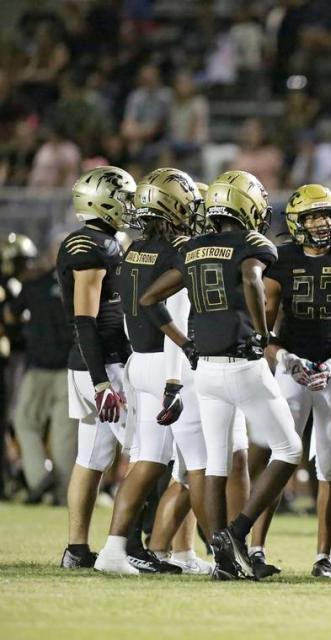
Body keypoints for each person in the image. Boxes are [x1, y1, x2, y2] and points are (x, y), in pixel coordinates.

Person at [139, 170, 302, 580]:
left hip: (205, 369)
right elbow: (249, 276)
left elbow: (149, 298)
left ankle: (222, 557)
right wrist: (264, 334)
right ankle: (237, 532)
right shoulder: (252, 244)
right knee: (289, 450)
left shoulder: (192, 246)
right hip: (242, 365)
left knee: (215, 465)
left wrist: (185, 343)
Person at [93, 168, 205, 575]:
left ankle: (117, 549)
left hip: (140, 360)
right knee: (189, 465)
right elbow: (176, 314)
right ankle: (214, 554)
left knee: (148, 460)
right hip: (169, 363)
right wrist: (178, 372)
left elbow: (129, 315)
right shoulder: (180, 251)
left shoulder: (132, 250)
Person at [261, 184, 331, 579]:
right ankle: (256, 548)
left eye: (326, 214)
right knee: (281, 456)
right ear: (296, 221)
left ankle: (323, 556)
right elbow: (264, 327)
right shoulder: (280, 259)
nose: (322, 222)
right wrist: (285, 359)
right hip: (292, 369)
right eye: (312, 216)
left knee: (330, 465)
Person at [56, 166, 135, 569]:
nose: (129, 205)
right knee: (144, 455)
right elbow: (84, 320)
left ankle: (77, 548)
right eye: (123, 197)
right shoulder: (91, 245)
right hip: (104, 365)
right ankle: (130, 547)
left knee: (92, 458)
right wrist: (102, 380)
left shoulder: (103, 240)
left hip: (96, 364)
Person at [7, 236, 74, 504]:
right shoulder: (79, 282)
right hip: (71, 368)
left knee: (24, 422)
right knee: (65, 437)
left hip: (39, 367)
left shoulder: (34, 283)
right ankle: (64, 496)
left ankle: (39, 480)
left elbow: (12, 314)